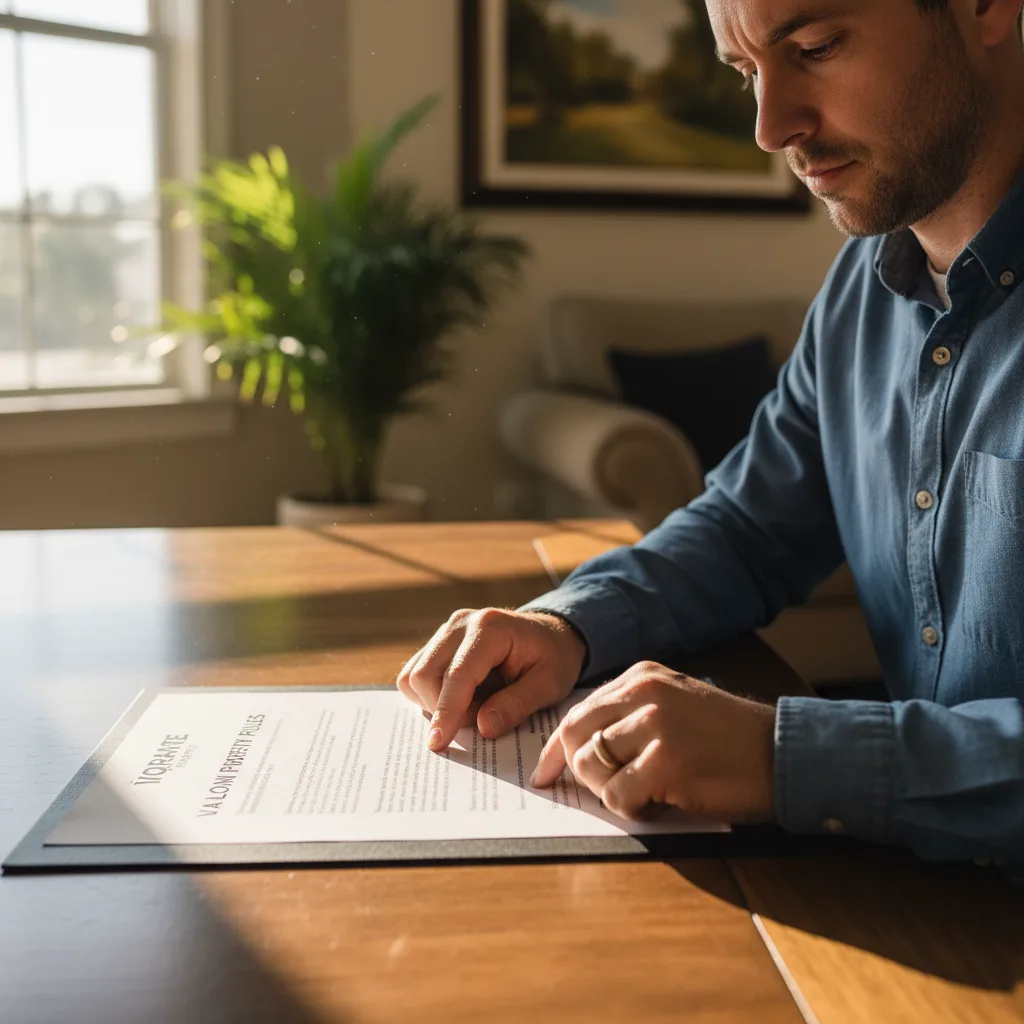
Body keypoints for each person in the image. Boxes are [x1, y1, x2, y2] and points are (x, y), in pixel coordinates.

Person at [398, 0, 1024, 864]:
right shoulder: (858, 295)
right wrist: (567, 626)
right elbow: (746, 528)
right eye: (745, 72)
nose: (771, 128)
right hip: (921, 901)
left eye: (816, 46)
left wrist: (787, 757)